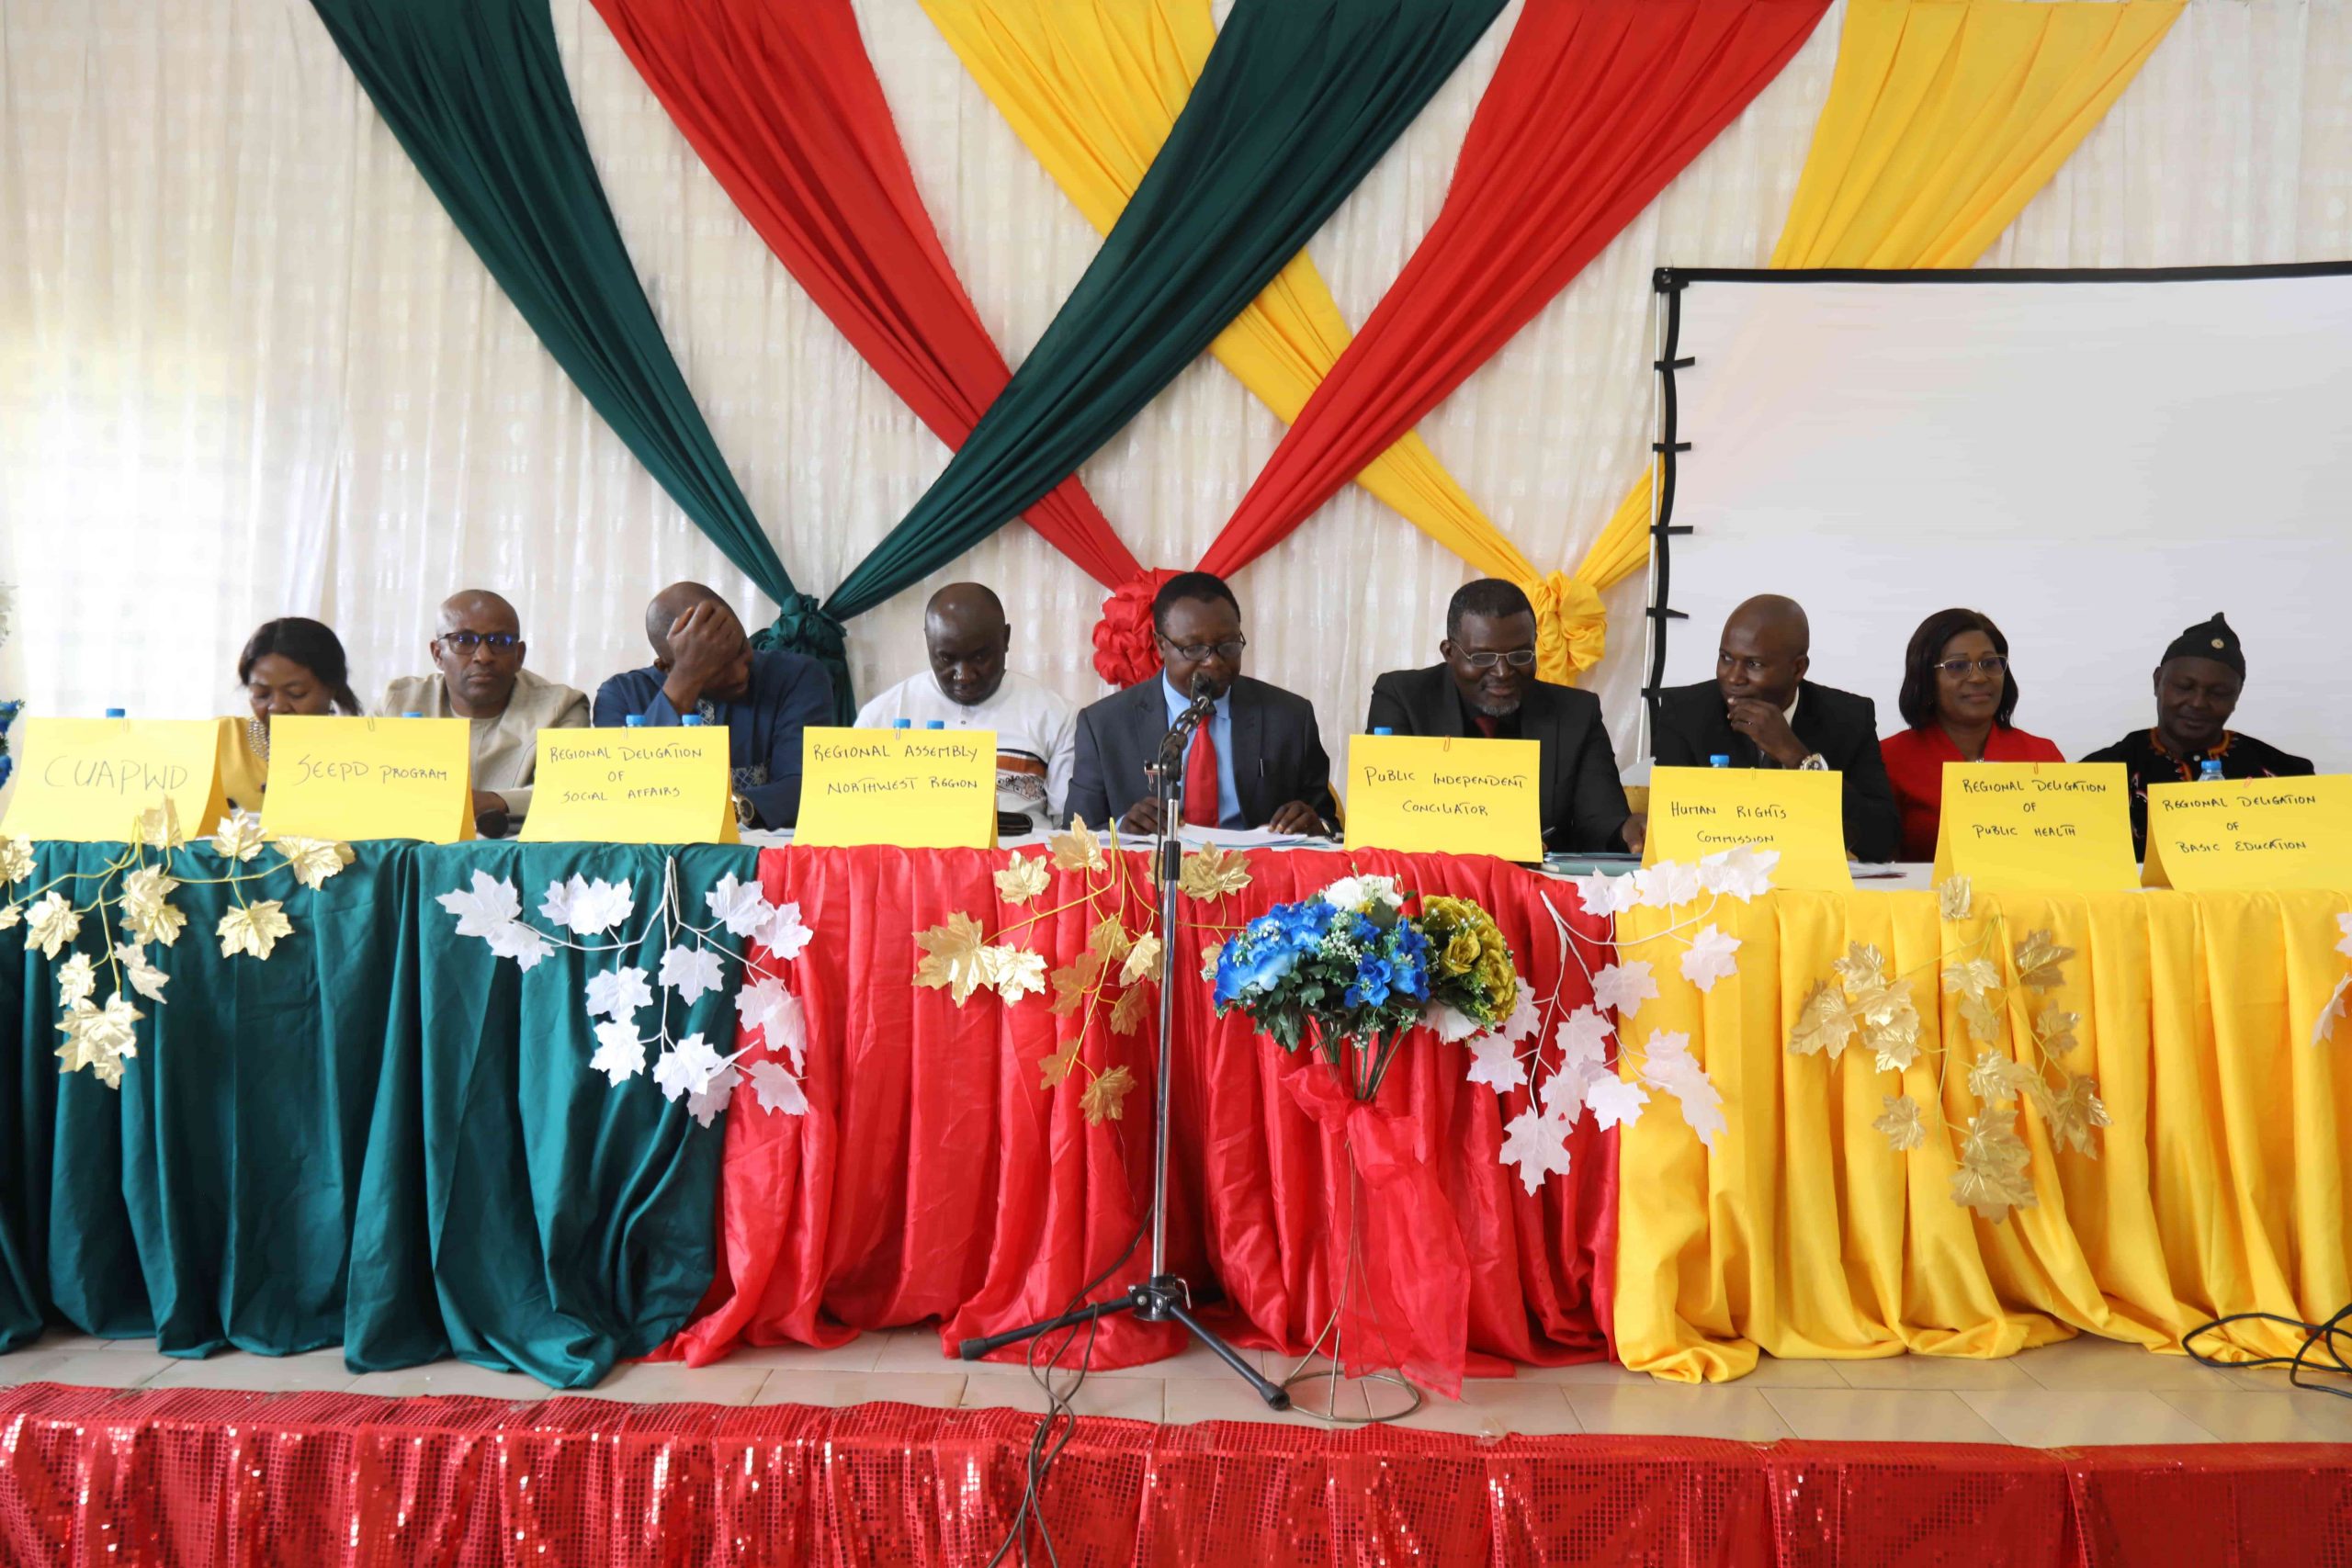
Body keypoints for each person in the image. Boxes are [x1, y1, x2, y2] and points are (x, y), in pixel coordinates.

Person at [1366, 579, 1639, 853]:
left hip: (1539, 887)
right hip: (1432, 883)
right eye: (1483, 658)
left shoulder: (1576, 713)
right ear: (1449, 653)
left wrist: (1625, 832)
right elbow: (1388, 814)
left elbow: (1601, 822)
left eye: (1520, 655)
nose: (1503, 671)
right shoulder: (1402, 697)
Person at [1066, 571, 1336, 837]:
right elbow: (1073, 836)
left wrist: (1316, 826)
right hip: (1147, 877)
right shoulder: (1103, 725)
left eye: (1228, 646)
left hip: (1259, 875)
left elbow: (1331, 826)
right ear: (1160, 645)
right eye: (1194, 649)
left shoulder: (1290, 718)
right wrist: (1123, 830)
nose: (1213, 662)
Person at [1650, 594, 1901, 863]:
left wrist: (1797, 757)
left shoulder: (1849, 718)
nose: (1733, 677)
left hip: (1811, 886)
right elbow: (1672, 833)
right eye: (1725, 658)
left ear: (1798, 669)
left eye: (1753, 664)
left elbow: (1881, 841)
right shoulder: (1686, 712)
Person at [593, 583, 834, 831]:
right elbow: (623, 793)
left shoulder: (797, 676)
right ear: (666, 668)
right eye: (716, 666)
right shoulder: (620, 696)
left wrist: (732, 809)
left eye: (742, 649)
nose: (741, 671)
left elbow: (804, 785)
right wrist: (684, 681)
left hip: (763, 860)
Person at [853, 582, 1078, 834]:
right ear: (928, 641)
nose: (964, 676)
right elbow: (857, 821)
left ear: (1005, 639)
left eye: (980, 657)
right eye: (947, 659)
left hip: (1019, 866)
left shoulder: (1057, 716)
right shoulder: (880, 717)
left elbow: (1069, 830)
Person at [2082, 613, 2314, 856]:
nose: (2198, 703)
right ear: (2157, 681)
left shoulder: (2288, 776)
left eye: (2219, 692)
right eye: (2185, 687)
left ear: (2237, 695)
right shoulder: (2098, 774)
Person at [379, 590, 589, 839]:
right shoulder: (397, 702)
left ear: (519, 655)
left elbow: (572, 791)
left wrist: (492, 801)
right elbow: (361, 786)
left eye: (500, 642)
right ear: (437, 654)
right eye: (464, 640)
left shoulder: (562, 706)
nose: (483, 656)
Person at [1879, 609, 2064, 863]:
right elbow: (1878, 867)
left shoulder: (2042, 755)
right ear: (1926, 677)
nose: (1978, 677)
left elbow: (2062, 854)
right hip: (1925, 900)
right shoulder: (1891, 758)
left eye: (1990, 663)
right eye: (1957, 666)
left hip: (2024, 900)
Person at [220, 616, 363, 812]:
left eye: (296, 694)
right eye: (261, 694)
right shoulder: (221, 739)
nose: (277, 706)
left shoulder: (361, 756)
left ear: (332, 688)